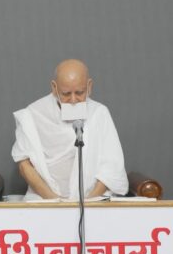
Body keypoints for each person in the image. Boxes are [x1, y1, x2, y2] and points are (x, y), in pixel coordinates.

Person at [11, 59, 128, 200]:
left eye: (79, 92)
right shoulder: (33, 114)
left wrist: (89, 202)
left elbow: (112, 166)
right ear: (54, 87)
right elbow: (24, 165)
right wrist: (55, 201)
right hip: (45, 199)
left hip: (92, 200)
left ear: (89, 86)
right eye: (66, 93)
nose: (73, 100)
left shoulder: (99, 113)